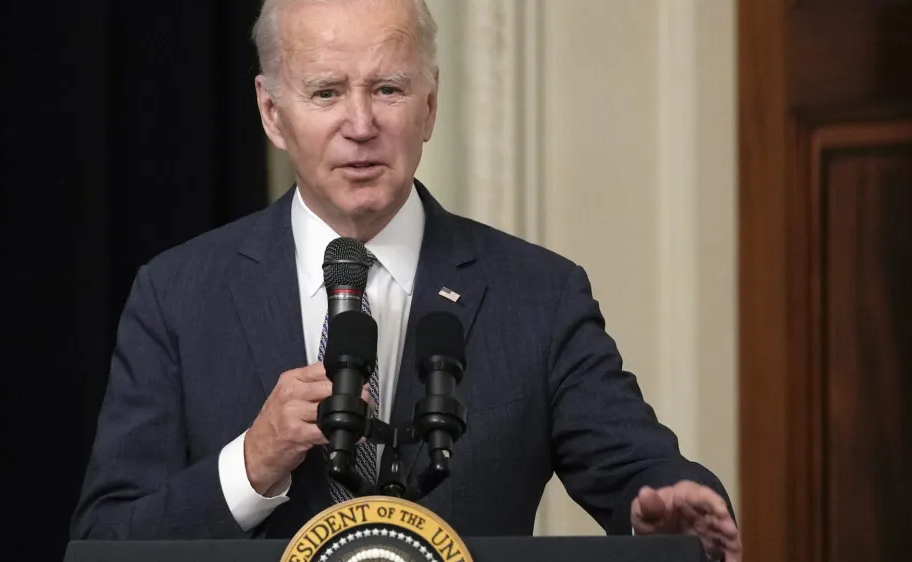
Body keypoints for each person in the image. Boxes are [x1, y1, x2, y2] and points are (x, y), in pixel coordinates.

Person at [70, 0, 742, 559]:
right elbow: (106, 542)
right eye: (327, 92)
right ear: (273, 113)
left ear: (429, 105)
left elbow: (641, 473)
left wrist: (674, 508)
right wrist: (250, 464)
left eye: (388, 89)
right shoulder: (179, 295)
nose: (360, 126)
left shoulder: (538, 295)